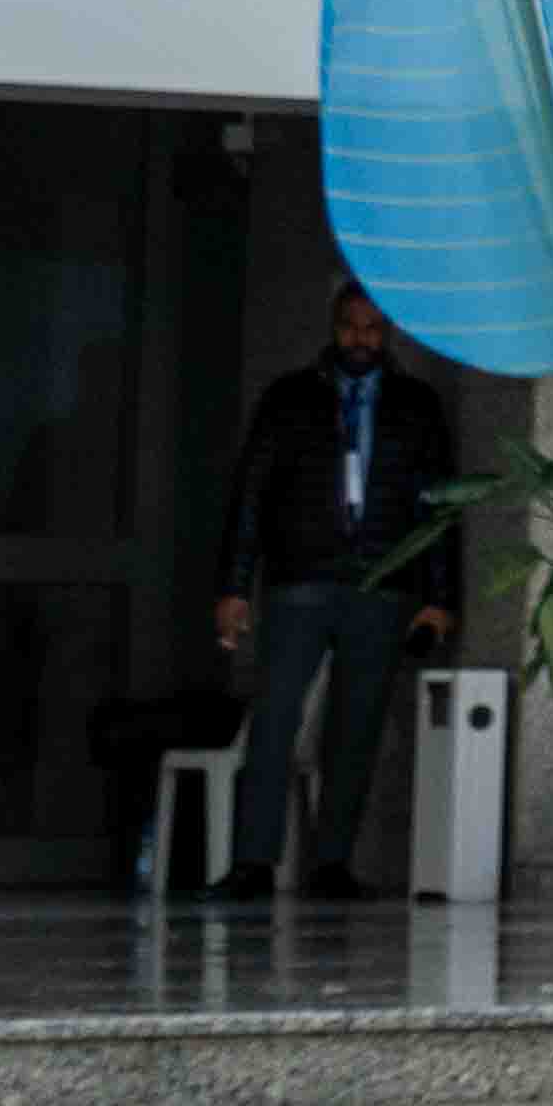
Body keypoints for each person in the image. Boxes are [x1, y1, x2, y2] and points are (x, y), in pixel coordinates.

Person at [211, 280, 461, 901]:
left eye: (372, 328)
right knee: (274, 719)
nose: (360, 339)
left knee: (357, 729)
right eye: (351, 326)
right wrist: (234, 587)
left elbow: (439, 507)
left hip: (381, 582)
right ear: (333, 326)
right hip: (300, 578)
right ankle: (253, 862)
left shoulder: (415, 405)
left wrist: (441, 598)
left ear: (388, 332)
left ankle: (331, 864)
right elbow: (251, 495)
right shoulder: (290, 398)